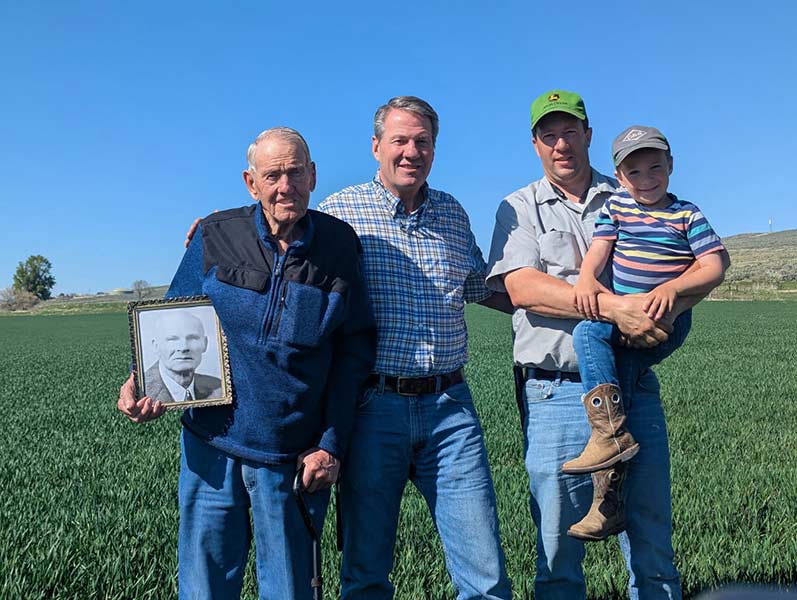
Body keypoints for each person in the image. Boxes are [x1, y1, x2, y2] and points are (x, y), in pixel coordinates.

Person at [487, 89, 727, 599]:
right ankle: (605, 436)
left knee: (653, 546)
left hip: (632, 383)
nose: (561, 144)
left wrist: (671, 304)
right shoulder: (519, 207)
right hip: (553, 393)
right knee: (558, 554)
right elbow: (520, 288)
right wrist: (616, 308)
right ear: (535, 144)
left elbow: (695, 268)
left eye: (570, 131)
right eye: (549, 135)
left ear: (588, 135)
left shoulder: (629, 189)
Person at [118, 127, 376, 600]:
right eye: (272, 175)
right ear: (250, 182)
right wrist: (141, 382)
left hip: (293, 459)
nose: (285, 186)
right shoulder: (215, 235)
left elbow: (352, 353)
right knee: (205, 589)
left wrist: (331, 444)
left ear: (313, 175)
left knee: (292, 591)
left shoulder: (339, 246)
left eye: (295, 172)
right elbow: (170, 320)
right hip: (210, 449)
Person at [318, 96, 513, 599]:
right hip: (371, 409)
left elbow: (482, 287)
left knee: (485, 574)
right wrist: (223, 227)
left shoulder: (450, 212)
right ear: (376, 146)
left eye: (422, 142)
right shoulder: (339, 213)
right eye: (400, 141)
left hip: (451, 410)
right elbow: (281, 259)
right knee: (365, 573)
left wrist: (582, 299)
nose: (411, 152)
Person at [563, 125, 727, 540]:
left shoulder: (687, 214)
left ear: (671, 166)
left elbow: (714, 266)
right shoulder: (617, 208)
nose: (647, 178)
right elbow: (598, 252)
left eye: (656, 167)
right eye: (634, 172)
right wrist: (585, 279)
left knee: (614, 356)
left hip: (668, 318)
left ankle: (609, 453)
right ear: (619, 177)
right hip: (623, 317)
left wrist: (672, 290)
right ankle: (610, 460)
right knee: (590, 337)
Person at [144, 311, 222, 403]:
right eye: (172, 339)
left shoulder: (219, 387)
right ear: (156, 346)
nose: (183, 347)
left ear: (205, 344)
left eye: (192, 338)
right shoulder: (142, 391)